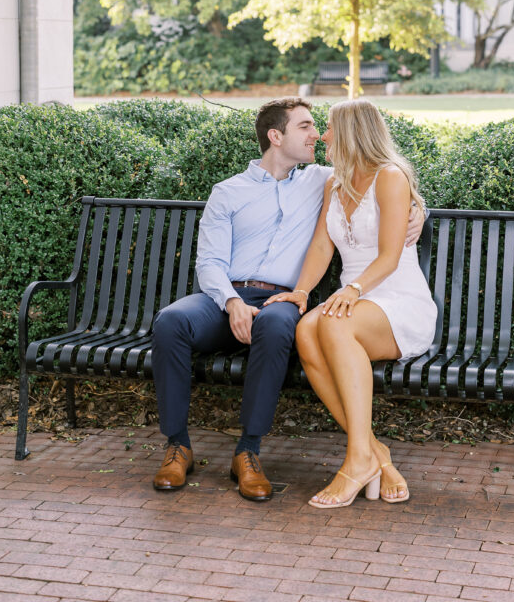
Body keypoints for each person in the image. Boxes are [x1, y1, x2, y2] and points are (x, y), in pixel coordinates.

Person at [150, 96, 424, 500]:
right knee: (170, 321)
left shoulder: (322, 178)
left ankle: (248, 452)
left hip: (282, 302)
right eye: (306, 127)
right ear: (275, 136)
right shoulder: (229, 191)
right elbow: (208, 261)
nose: (317, 135)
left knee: (279, 327)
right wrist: (231, 302)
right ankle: (177, 446)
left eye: (321, 127)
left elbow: (384, 180)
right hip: (225, 295)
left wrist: (419, 210)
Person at [264, 98, 437, 508]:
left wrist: (354, 289)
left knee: (334, 324)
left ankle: (356, 461)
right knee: (306, 328)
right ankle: (374, 455)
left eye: (328, 127)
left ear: (351, 132)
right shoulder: (335, 182)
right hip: (355, 300)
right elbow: (323, 244)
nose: (322, 135)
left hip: (396, 298)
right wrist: (303, 292)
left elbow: (391, 257)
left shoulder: (390, 177)